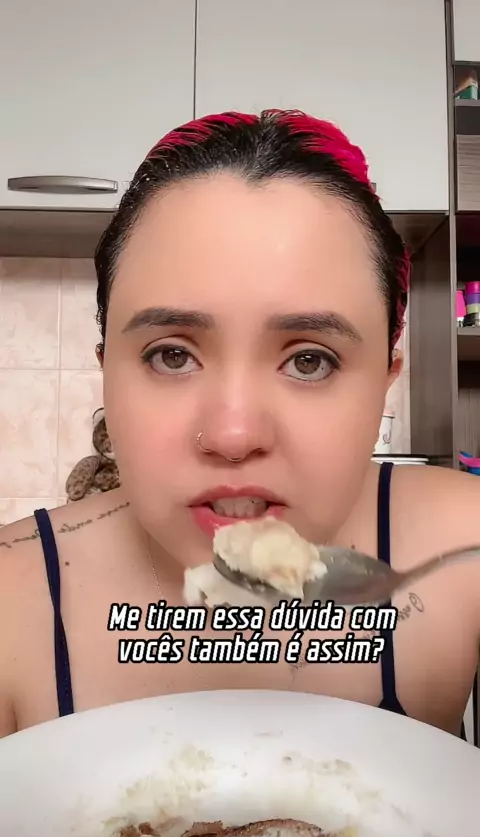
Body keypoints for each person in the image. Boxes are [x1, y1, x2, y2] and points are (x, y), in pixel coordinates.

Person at [0, 109, 479, 740]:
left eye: (309, 361)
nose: (233, 436)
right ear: (106, 372)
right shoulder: (13, 596)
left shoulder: (463, 547)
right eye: (172, 356)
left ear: (384, 380)